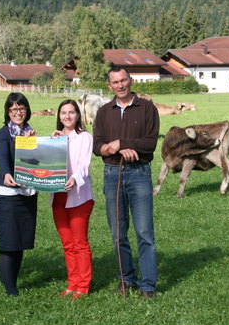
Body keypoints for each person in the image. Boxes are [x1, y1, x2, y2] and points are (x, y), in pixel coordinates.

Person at [92, 66, 160, 299]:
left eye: (124, 80)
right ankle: (127, 280)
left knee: (144, 232)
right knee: (118, 233)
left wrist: (120, 142)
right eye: (115, 82)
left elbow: (150, 143)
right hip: (112, 174)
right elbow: (96, 146)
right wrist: (109, 148)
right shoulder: (103, 112)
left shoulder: (147, 108)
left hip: (139, 173)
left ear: (130, 81)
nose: (120, 85)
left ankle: (148, 285)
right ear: (109, 86)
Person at [0, 93, 37, 296]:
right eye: (13, 109)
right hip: (7, 194)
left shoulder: (30, 134)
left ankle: (14, 283)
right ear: (7, 112)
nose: (18, 113)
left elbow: (34, 163)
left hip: (26, 193)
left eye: (21, 109)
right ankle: (10, 289)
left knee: (20, 241)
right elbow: (1, 155)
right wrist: (6, 172)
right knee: (9, 241)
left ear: (27, 111)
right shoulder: (3, 133)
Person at [50, 99, 94, 299]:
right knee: (67, 243)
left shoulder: (85, 137)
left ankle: (83, 286)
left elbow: (84, 165)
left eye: (71, 112)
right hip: (58, 196)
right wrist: (50, 144)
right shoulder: (55, 138)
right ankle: (72, 283)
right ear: (58, 116)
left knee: (79, 242)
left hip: (78, 197)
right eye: (63, 113)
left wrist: (75, 179)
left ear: (78, 115)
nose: (67, 116)